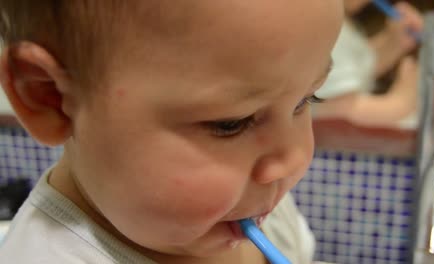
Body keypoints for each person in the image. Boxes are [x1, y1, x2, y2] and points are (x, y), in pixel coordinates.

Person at [0, 1, 343, 263]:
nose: (292, 159)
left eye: (305, 99)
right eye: (231, 123)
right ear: (50, 97)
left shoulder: (248, 202)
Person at [313, 0, 424, 129]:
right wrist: (402, 100)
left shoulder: (341, 20)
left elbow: (353, 71)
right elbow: (341, 110)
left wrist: (393, 43)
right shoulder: (325, 24)